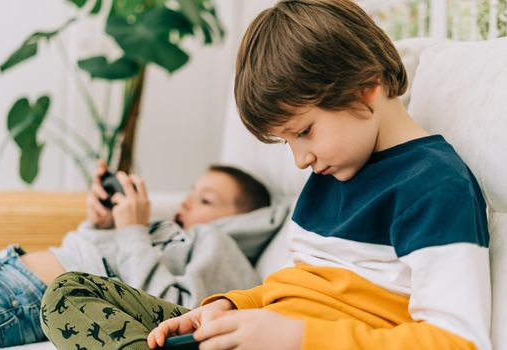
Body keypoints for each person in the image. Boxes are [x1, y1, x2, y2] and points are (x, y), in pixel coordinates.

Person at [41, 0, 491, 349]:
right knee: (66, 295)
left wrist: (296, 339)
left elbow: (457, 341)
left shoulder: (435, 187)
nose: (300, 160)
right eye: (288, 142)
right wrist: (228, 306)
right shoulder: (330, 176)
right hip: (265, 333)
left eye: (304, 132)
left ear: (365, 86)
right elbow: (295, 287)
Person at [0, 161, 284, 348]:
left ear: (240, 220)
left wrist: (131, 230)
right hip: (1, 265)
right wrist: (102, 225)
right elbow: (103, 257)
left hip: (21, 296)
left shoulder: (218, 244)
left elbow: (175, 309)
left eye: (205, 200)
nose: (187, 203)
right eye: (191, 193)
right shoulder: (170, 234)